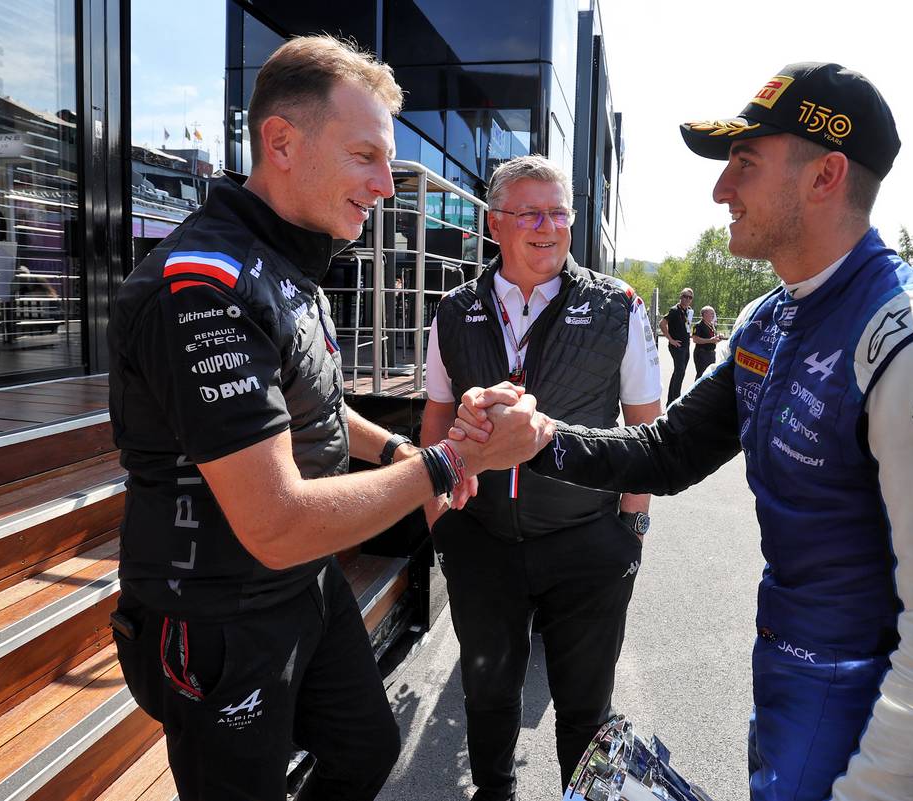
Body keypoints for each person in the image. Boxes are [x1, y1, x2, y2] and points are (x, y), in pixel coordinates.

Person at [456, 61, 913, 801]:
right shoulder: (773, 317)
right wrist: (540, 441)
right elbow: (667, 452)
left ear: (825, 176)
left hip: (865, 722)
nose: (721, 189)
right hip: (786, 683)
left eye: (745, 164)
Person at [107, 36, 552, 801]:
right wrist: (451, 464)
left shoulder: (292, 263)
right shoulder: (203, 286)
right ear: (281, 142)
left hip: (301, 587)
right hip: (215, 618)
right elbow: (275, 519)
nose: (387, 183)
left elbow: (314, 406)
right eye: (365, 156)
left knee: (367, 749)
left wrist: (409, 449)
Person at [420, 154, 662, 801]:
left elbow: (646, 425)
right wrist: (438, 519)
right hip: (482, 538)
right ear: (495, 223)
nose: (548, 226)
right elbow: (436, 416)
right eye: (530, 212)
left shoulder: (619, 306)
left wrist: (631, 526)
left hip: (588, 542)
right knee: (488, 695)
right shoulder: (453, 310)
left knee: (586, 710)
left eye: (559, 212)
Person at [660, 287, 694, 403]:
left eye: (690, 297)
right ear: (680, 297)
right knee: (679, 371)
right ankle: (675, 399)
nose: (687, 299)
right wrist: (671, 340)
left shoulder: (688, 311)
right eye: (685, 296)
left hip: (686, 345)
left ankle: (671, 400)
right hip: (677, 346)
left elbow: (687, 326)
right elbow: (662, 324)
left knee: (680, 371)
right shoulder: (674, 310)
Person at [691, 305, 722, 378]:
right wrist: (710, 340)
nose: (713, 315)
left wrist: (718, 338)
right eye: (711, 313)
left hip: (710, 353)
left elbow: (712, 339)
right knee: (701, 375)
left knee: (709, 375)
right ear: (704, 314)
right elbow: (695, 339)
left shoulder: (711, 325)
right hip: (702, 353)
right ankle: (697, 389)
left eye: (713, 313)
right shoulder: (698, 325)